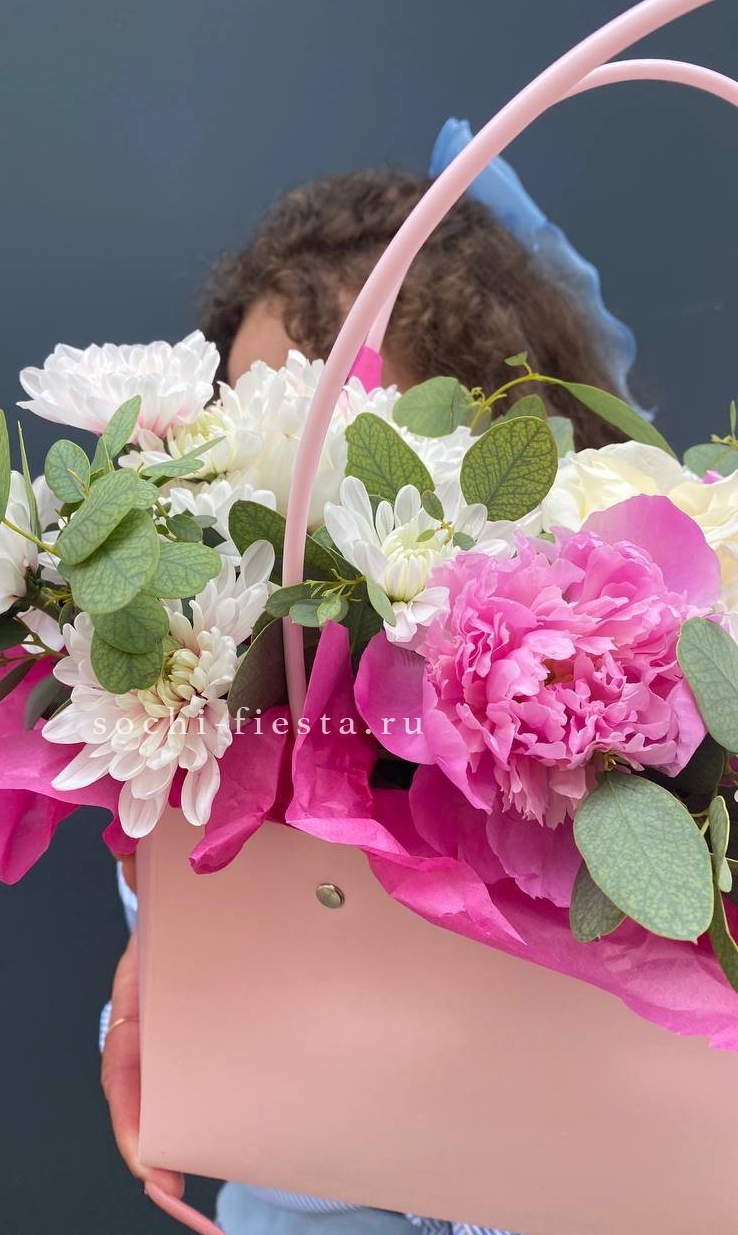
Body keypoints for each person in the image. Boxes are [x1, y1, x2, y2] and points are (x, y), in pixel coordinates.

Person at [100, 119, 642, 1234]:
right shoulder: (209, 711)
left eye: (349, 439)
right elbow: (198, 991)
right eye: (246, 430)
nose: (285, 493)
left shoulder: (610, 714)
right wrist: (155, 999)